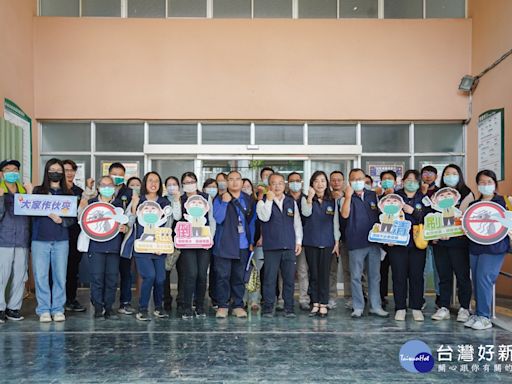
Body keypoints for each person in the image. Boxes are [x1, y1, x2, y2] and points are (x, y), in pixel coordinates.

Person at [79, 176, 129, 319]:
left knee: (112, 279)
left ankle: (109, 307)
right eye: (103, 185)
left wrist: (124, 228)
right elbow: (82, 222)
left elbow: (126, 224)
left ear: (114, 187)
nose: (107, 187)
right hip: (96, 246)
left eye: (110, 185)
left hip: (114, 247)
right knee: (97, 278)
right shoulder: (91, 203)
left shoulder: (119, 204)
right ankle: (98, 307)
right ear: (98, 187)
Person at [465, 170, 510, 330]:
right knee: (476, 280)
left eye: (489, 182)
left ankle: (484, 317)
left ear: (495, 184)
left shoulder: (504, 203)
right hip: (475, 247)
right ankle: (478, 313)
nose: (485, 185)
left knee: (484, 278)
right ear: (477, 185)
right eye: (482, 182)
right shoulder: (472, 206)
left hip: (495, 248)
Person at [31, 158, 75, 322]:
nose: (55, 172)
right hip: (39, 240)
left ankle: (58, 309)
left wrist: (61, 221)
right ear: (47, 171)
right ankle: (43, 309)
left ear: (62, 173)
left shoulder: (68, 193)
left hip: (61, 240)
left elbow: (73, 219)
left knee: (59, 276)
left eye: (58, 170)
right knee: (41, 275)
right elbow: (28, 211)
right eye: (52, 169)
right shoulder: (38, 191)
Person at [341, 168, 388, 318]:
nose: (357, 181)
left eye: (360, 178)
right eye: (354, 179)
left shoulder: (372, 195)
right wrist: (348, 197)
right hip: (355, 243)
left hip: (373, 242)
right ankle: (358, 307)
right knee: (355, 276)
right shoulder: (344, 197)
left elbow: (384, 213)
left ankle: (375, 306)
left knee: (374, 276)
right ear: (349, 182)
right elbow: (345, 214)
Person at [124, 172, 170, 321]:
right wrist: (134, 207)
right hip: (142, 246)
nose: (153, 183)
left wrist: (163, 244)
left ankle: (158, 307)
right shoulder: (138, 199)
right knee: (149, 276)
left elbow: (168, 224)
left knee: (160, 279)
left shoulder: (164, 202)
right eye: (150, 180)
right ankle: (142, 308)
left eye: (156, 181)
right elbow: (129, 222)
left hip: (159, 246)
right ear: (145, 183)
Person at [431, 164, 473, 323]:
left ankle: (464, 308)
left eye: (454, 173)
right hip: (440, 243)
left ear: (459, 175)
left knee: (462, 276)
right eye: (447, 173)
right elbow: (431, 217)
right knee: (443, 276)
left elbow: (467, 218)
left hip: (459, 242)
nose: (450, 176)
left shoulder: (467, 194)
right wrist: (433, 235)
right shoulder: (436, 195)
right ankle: (444, 307)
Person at [257, 173, 302, 317]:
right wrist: (269, 201)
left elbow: (297, 223)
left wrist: (298, 241)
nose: (277, 186)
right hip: (271, 247)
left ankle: (289, 308)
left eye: (280, 183)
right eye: (274, 183)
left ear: (284, 185)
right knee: (270, 279)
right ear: (269, 186)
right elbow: (264, 217)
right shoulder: (262, 201)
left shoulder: (291, 201)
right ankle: (269, 308)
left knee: (289, 279)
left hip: (288, 245)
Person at [213, 171, 256, 319]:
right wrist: (224, 202)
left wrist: (252, 242)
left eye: (238, 179)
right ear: (226, 182)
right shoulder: (219, 198)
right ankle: (223, 306)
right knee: (222, 276)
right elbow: (218, 218)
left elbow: (252, 223)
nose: (234, 182)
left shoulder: (249, 199)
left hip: (243, 244)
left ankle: (238, 305)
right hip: (224, 244)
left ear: (242, 181)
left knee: (239, 277)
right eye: (231, 179)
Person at [387, 170, 427, 321]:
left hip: (418, 244)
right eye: (408, 179)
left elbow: (428, 217)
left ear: (418, 183)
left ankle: (416, 307)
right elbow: (385, 217)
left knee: (417, 276)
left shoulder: (424, 199)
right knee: (398, 276)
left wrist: (415, 212)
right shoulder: (394, 198)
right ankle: (400, 307)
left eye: (415, 180)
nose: (411, 183)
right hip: (397, 243)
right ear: (402, 181)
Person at [302, 171, 340, 318]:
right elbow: (306, 213)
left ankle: (324, 303)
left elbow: (335, 222)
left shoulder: (332, 201)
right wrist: (310, 198)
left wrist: (336, 241)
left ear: (327, 183)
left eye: (323, 181)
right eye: (316, 181)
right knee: (314, 274)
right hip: (311, 241)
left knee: (325, 274)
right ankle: (315, 303)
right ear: (312, 184)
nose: (320, 184)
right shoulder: (306, 199)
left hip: (328, 242)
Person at [178, 172, 215, 319]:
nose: (189, 184)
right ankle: (187, 306)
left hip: (204, 242)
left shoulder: (206, 198)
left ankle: (200, 306)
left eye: (192, 181)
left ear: (196, 182)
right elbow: (176, 218)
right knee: (191, 274)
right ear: (182, 185)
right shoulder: (180, 200)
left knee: (201, 275)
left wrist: (210, 238)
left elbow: (212, 219)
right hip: (187, 243)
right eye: (186, 182)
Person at [0, 159, 32, 322]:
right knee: (2, 276)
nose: (12, 172)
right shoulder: (1, 191)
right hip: (3, 240)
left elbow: (34, 214)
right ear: (1, 174)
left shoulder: (24, 192)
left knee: (20, 276)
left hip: (22, 240)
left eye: (14, 170)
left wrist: (31, 194)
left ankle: (13, 308)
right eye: (7, 170)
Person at [63, 159, 86, 313]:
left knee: (72, 270)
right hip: (58, 235)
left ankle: (71, 299)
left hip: (74, 236)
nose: (69, 173)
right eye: (66, 170)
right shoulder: (55, 190)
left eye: (72, 170)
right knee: (57, 270)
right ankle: (58, 300)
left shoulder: (79, 191)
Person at [287, 171, 309, 311]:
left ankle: (304, 299)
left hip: (303, 241)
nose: (295, 183)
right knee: (285, 272)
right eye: (292, 181)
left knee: (302, 271)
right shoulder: (284, 198)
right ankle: (284, 299)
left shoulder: (307, 199)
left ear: (301, 182)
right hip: (285, 240)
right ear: (288, 184)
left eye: (297, 180)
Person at [376, 170, 397, 308]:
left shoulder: (399, 197)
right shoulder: (377, 197)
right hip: (382, 241)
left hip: (397, 241)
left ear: (395, 182)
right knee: (381, 270)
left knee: (398, 271)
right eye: (384, 179)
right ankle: (381, 296)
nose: (387, 181)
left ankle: (399, 297)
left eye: (390, 179)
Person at [242, 178, 263, 311]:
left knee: (256, 272)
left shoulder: (257, 202)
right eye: (243, 186)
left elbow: (263, 222)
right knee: (243, 272)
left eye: (248, 186)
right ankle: (242, 299)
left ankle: (254, 300)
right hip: (243, 243)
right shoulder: (237, 202)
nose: (245, 188)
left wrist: (262, 237)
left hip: (258, 242)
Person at [163, 176, 182, 312]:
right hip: (166, 241)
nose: (172, 187)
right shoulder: (162, 201)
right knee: (165, 273)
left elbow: (178, 216)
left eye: (174, 184)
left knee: (183, 272)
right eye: (169, 184)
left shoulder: (185, 199)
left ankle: (181, 300)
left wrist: (177, 200)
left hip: (181, 241)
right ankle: (166, 300)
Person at [328, 170, 346, 309]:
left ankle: (352, 298)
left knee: (351, 270)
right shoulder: (326, 197)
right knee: (331, 270)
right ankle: (331, 297)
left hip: (347, 238)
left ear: (343, 181)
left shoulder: (350, 196)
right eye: (333, 180)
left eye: (339, 180)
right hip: (330, 239)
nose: (336, 182)